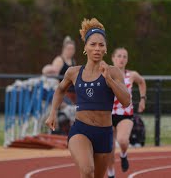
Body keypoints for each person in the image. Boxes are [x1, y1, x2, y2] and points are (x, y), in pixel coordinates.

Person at [45, 18, 130, 178]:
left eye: (101, 45)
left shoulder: (113, 72)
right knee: (87, 170)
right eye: (93, 44)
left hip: (104, 134)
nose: (97, 48)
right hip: (81, 130)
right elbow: (60, 89)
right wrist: (52, 113)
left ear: (105, 49)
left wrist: (109, 81)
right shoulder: (73, 72)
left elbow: (126, 101)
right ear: (85, 48)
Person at [107, 47, 146, 178]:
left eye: (124, 56)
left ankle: (123, 154)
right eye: (119, 56)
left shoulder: (131, 75)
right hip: (107, 114)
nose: (121, 59)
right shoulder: (105, 73)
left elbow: (142, 82)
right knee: (108, 147)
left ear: (127, 60)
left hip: (125, 113)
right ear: (113, 58)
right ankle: (111, 173)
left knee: (122, 140)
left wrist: (142, 99)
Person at [42, 36, 77, 103]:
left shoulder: (73, 61)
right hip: (64, 92)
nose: (71, 51)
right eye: (69, 49)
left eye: (72, 49)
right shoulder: (59, 60)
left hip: (73, 90)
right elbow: (53, 77)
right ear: (64, 49)